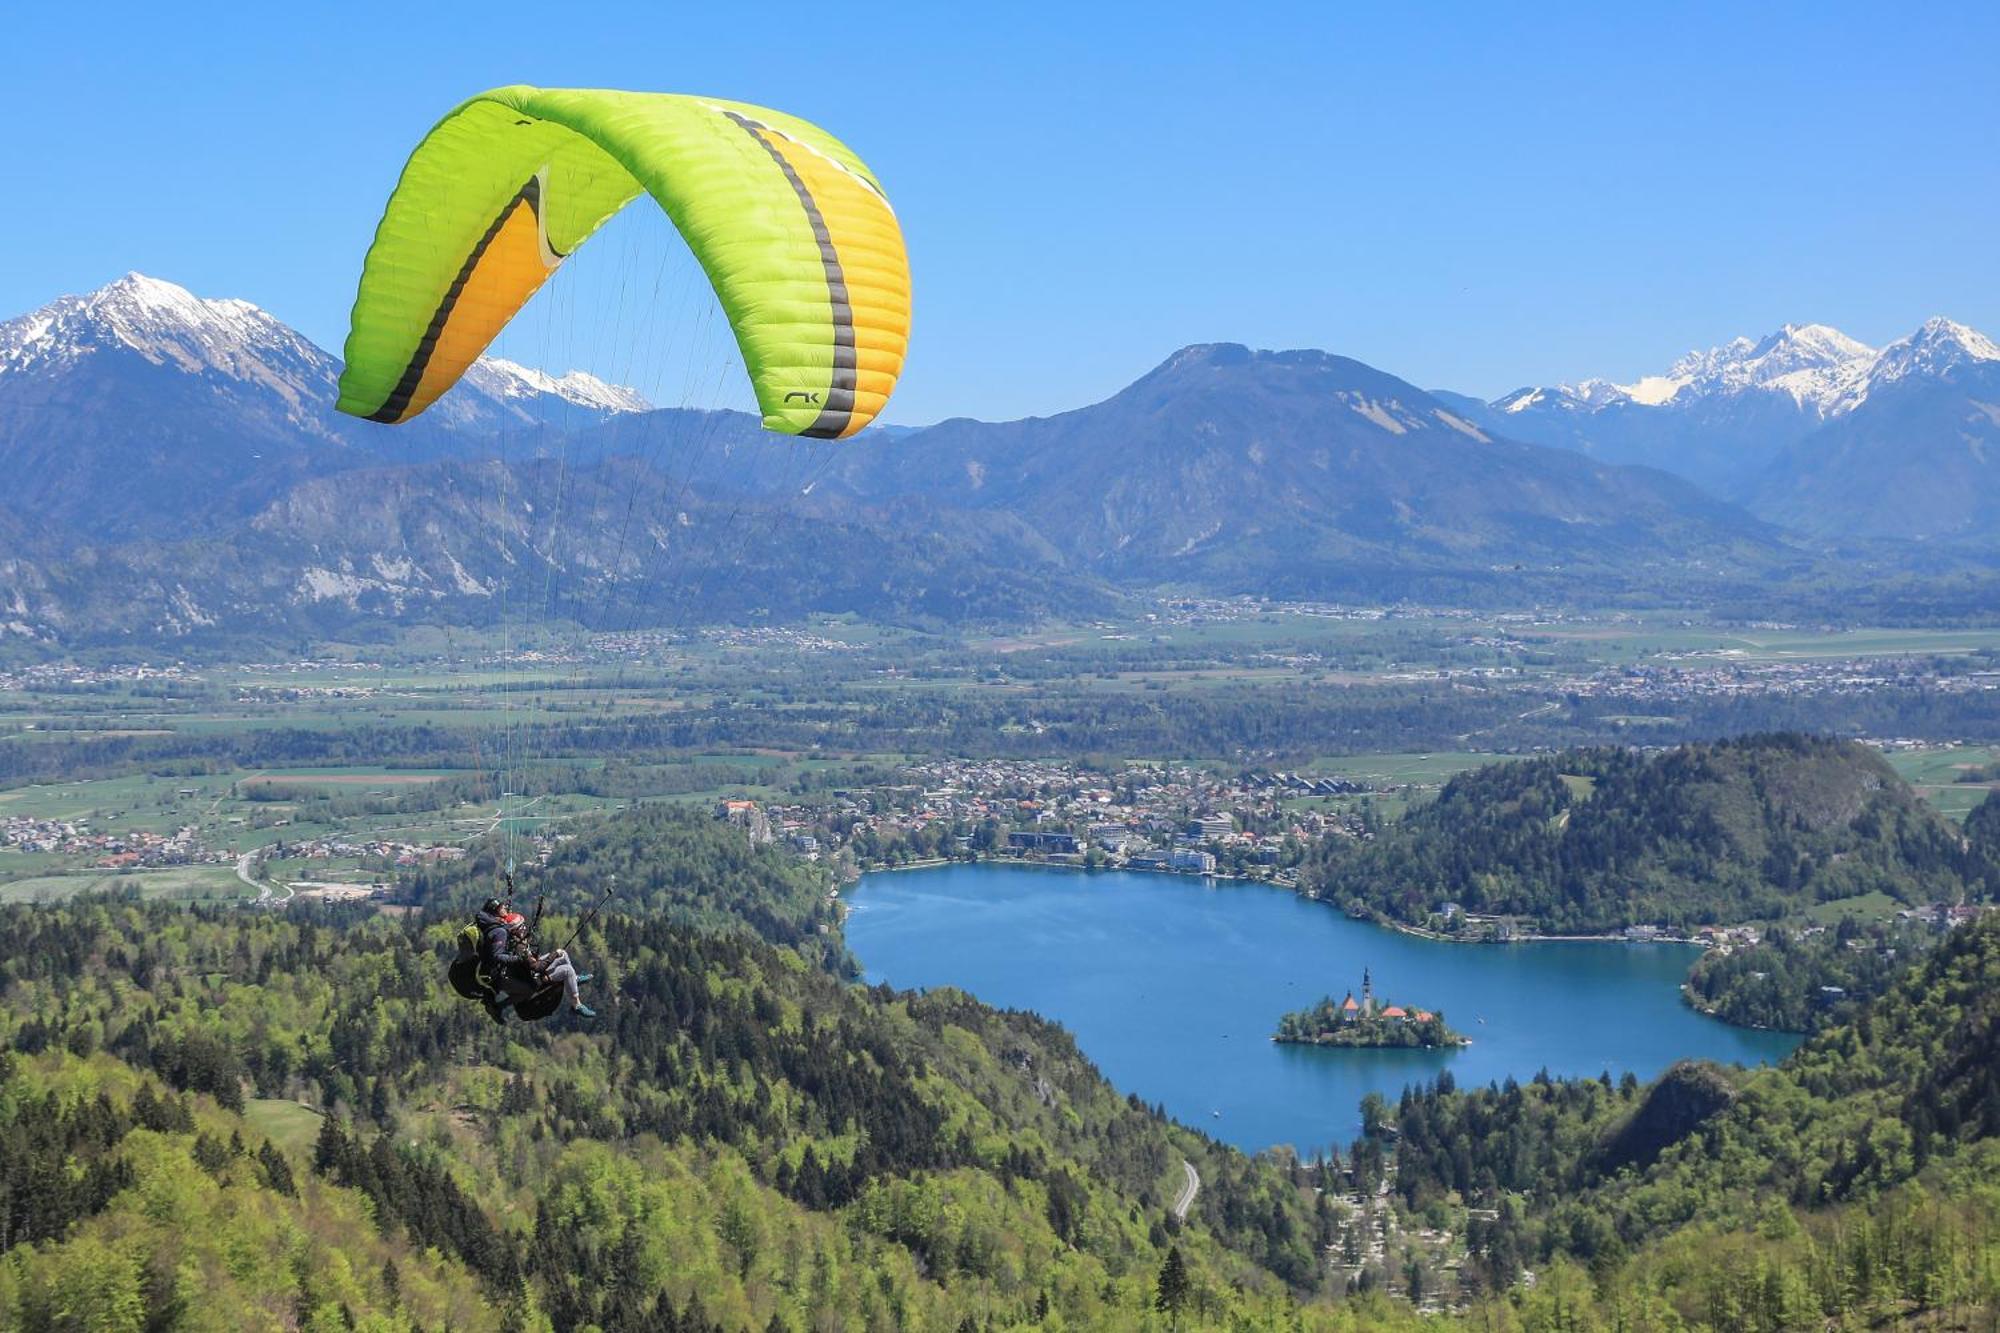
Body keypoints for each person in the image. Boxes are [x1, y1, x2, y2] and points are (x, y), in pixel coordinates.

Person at [477, 896, 595, 1018]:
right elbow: (537, 967)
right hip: (537, 979)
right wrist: (555, 954)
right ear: (516, 930)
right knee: (567, 970)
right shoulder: (520, 948)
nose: (525, 928)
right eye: (522, 926)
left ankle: (573, 980)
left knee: (564, 955)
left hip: (530, 972)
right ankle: (576, 1005)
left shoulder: (513, 939)